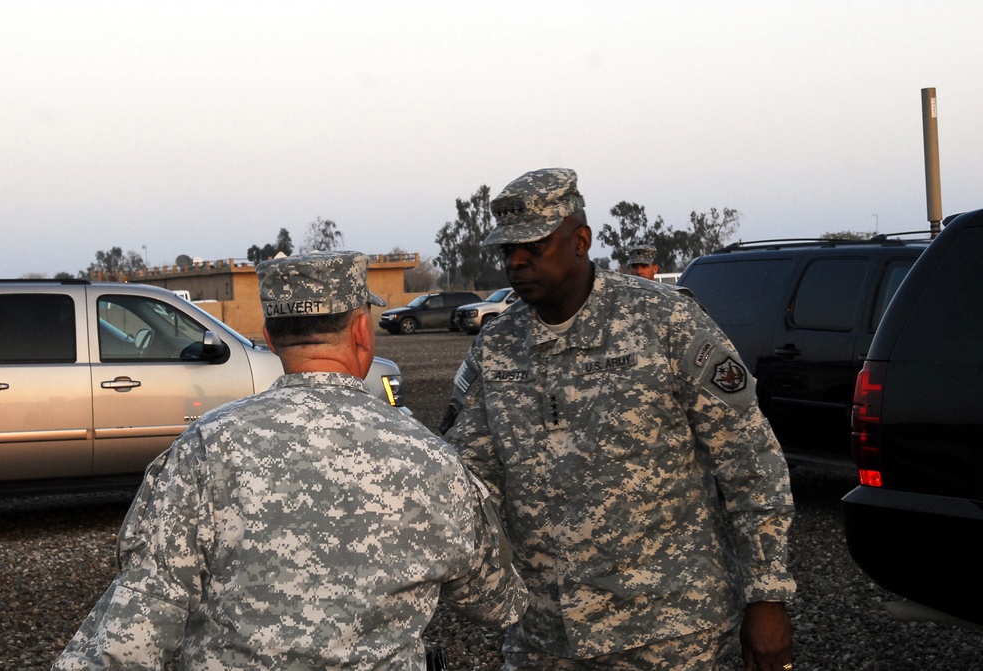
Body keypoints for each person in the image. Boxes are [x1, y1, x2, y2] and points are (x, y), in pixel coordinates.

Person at [52, 251, 527, 671]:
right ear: (362, 331)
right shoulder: (429, 457)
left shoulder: (206, 445)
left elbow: (136, 623)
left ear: (271, 338)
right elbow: (496, 601)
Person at [441, 168, 795, 671]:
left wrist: (768, 597)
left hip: (670, 632)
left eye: (534, 246)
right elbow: (471, 473)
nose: (516, 261)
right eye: (507, 251)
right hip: (545, 637)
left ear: (581, 239)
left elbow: (751, 462)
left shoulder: (665, 322)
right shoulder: (498, 345)